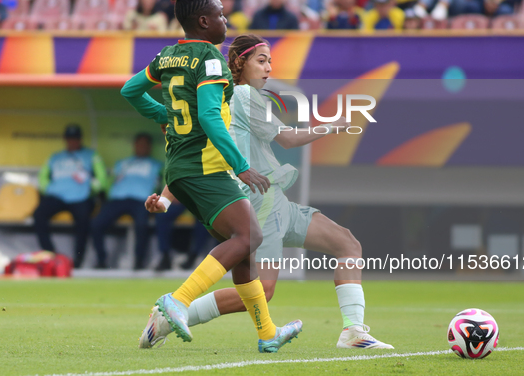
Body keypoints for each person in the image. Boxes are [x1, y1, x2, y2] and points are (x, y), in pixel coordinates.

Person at [145, 34, 395, 350]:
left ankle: (354, 332)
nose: (268, 68)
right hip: (260, 204)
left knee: (347, 244)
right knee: (263, 289)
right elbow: (288, 139)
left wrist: (167, 198)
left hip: (272, 200)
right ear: (239, 63)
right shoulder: (246, 95)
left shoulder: (219, 98)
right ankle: (169, 316)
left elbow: (201, 157)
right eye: (261, 60)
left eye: (270, 61)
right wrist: (333, 126)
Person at [120, 0, 302, 353]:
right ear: (203, 21)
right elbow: (206, 114)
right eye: (220, 15)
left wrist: (167, 117)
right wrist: (242, 165)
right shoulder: (210, 58)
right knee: (249, 237)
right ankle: (178, 301)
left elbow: (130, 90)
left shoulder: (168, 56)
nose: (225, 20)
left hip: (181, 167)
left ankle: (267, 333)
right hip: (206, 168)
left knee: (244, 251)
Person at [33, 124, 108, 268]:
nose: (72, 141)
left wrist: (90, 186)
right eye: (69, 138)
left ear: (80, 139)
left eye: (75, 138)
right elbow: (42, 177)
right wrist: (49, 188)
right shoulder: (55, 157)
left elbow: (102, 179)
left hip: (81, 196)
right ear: (65, 139)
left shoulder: (91, 155)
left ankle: (78, 260)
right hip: (57, 195)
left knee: (83, 220)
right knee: (38, 215)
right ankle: (50, 254)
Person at [91, 133, 163, 270]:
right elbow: (109, 182)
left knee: (142, 225)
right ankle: (101, 260)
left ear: (149, 147)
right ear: (134, 145)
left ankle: (139, 261)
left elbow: (162, 184)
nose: (142, 147)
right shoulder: (121, 164)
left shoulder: (156, 165)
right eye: (139, 144)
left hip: (142, 200)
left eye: (145, 145)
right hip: (118, 199)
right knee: (96, 223)